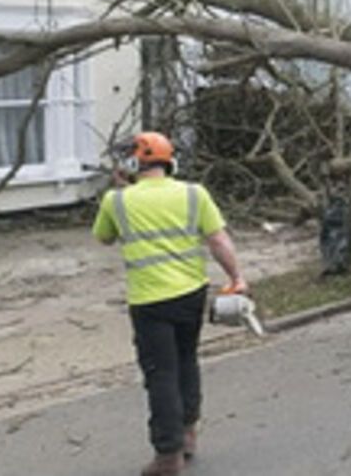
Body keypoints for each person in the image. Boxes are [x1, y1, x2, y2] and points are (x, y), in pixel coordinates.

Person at [93, 131, 245, 476]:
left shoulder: (116, 201)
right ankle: (188, 434)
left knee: (161, 374)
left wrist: (121, 189)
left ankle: (168, 455)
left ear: (133, 163)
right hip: (191, 293)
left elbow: (103, 238)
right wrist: (237, 278)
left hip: (149, 300)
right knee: (186, 361)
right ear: (169, 161)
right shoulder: (195, 194)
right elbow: (219, 240)